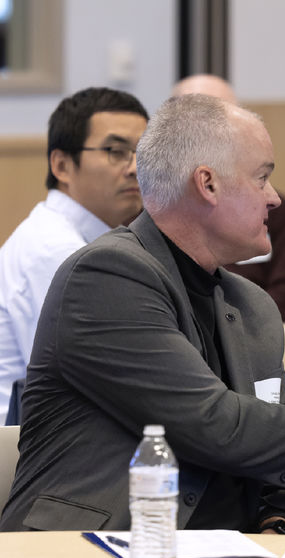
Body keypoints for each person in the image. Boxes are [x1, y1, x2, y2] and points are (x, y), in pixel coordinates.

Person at [0, 94, 285, 544]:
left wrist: (280, 527)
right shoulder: (105, 275)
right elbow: (214, 424)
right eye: (263, 178)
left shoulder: (253, 305)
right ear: (207, 184)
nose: (274, 199)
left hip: (230, 544)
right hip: (116, 542)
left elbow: (278, 452)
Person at [0, 87, 149, 423]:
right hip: (18, 456)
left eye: (143, 152)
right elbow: (99, 383)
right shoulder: (56, 251)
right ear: (62, 165)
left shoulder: (79, 241)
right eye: (116, 151)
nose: (135, 168)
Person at [171, 74, 285, 320]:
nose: (271, 198)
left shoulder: (274, 212)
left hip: (257, 341)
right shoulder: (154, 211)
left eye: (222, 120)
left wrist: (233, 330)